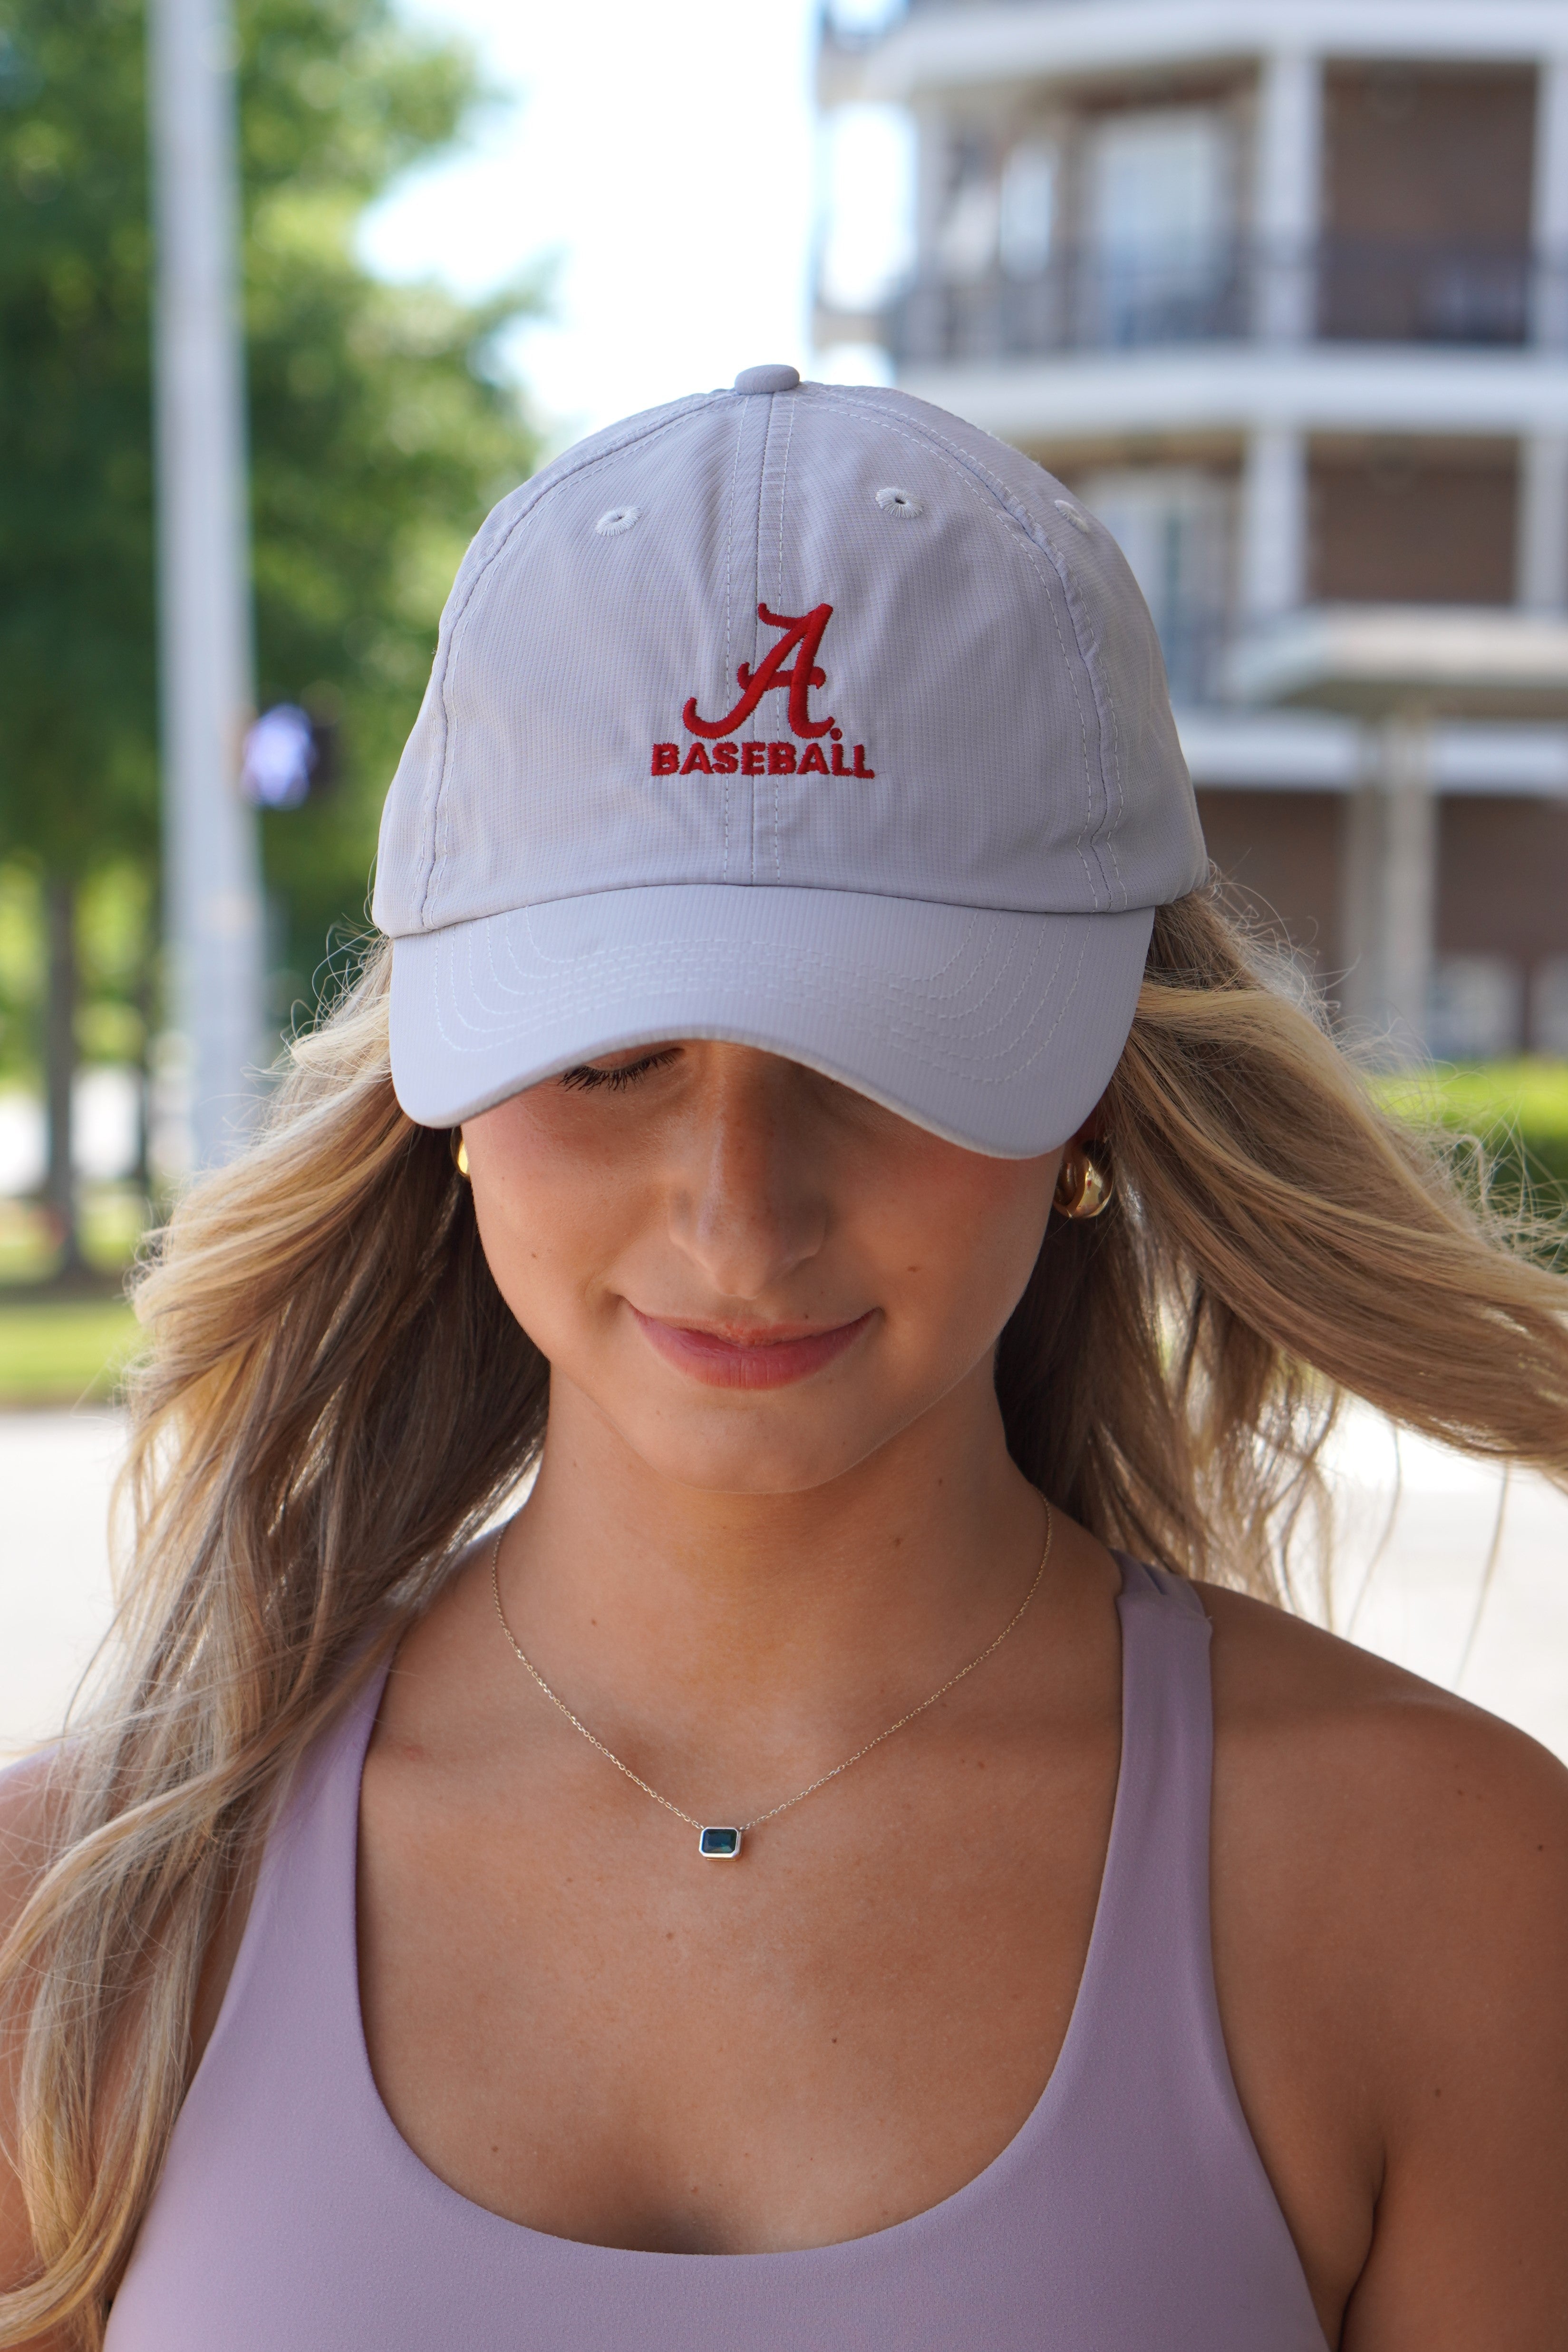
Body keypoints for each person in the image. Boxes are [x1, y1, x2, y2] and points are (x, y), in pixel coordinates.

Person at [3, 365, 1567, 2352]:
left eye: (879, 1051)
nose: (740, 1217)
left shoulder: (1450, 1899)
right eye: (612, 1052)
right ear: (445, 1086)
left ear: (1098, 1085)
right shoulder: (78, 1924)